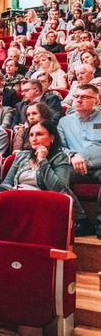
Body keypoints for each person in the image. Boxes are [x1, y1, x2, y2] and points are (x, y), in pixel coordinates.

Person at [57, 84, 101, 236]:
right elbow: (60, 147)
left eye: (85, 97)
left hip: (99, 166)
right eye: (76, 96)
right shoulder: (64, 122)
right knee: (53, 176)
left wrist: (85, 158)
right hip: (74, 166)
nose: (78, 100)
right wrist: (73, 155)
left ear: (97, 101)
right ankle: (82, 220)